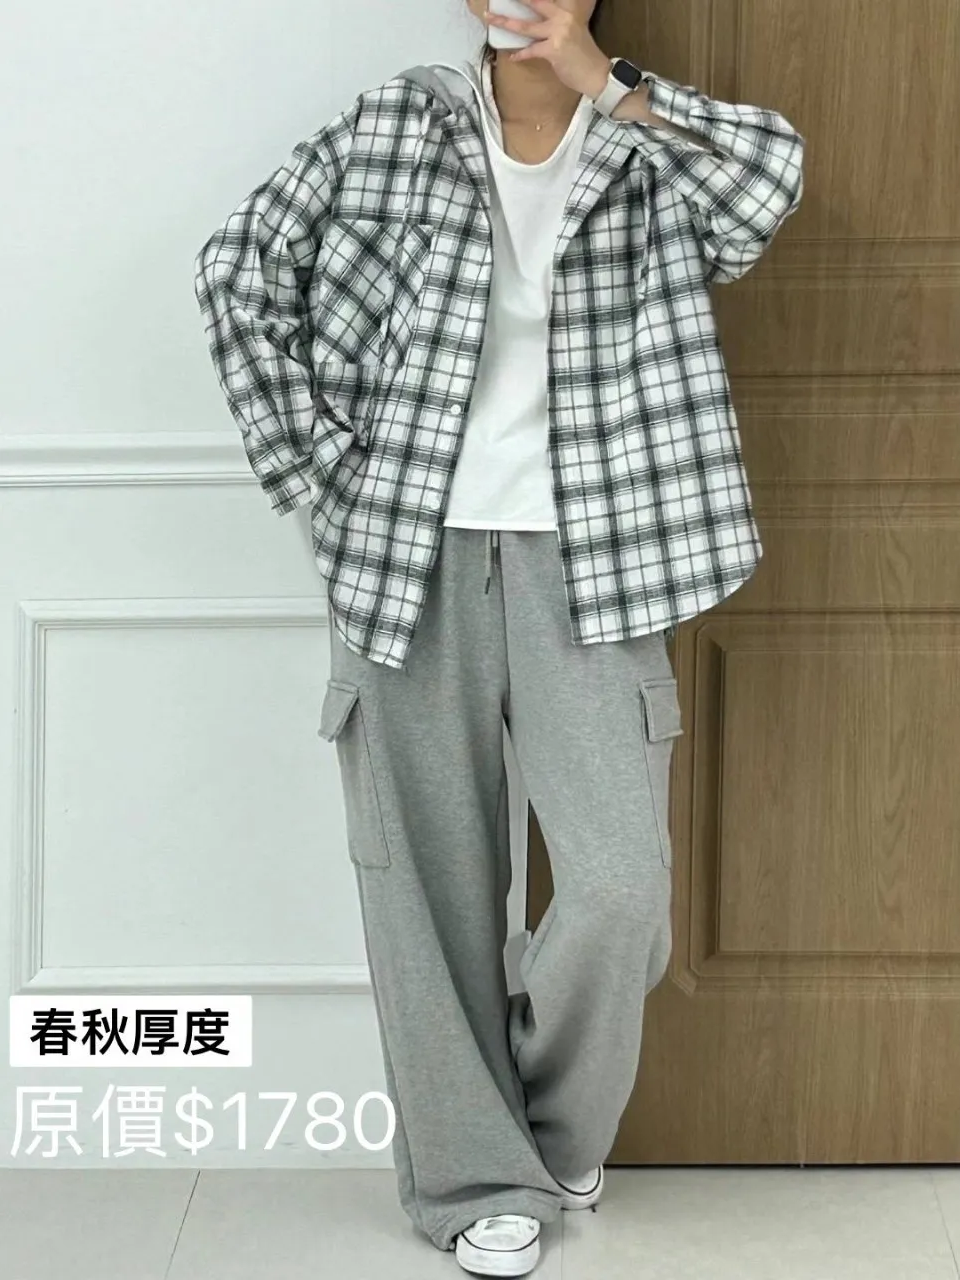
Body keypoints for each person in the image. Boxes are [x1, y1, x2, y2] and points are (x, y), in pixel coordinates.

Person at [193, 1, 804, 1273]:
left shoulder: (644, 136)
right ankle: (474, 1178)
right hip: (407, 555)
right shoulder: (392, 123)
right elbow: (235, 273)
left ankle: (550, 1129)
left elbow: (766, 186)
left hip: (600, 561)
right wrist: (324, 478)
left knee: (619, 886)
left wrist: (601, 79)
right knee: (426, 886)